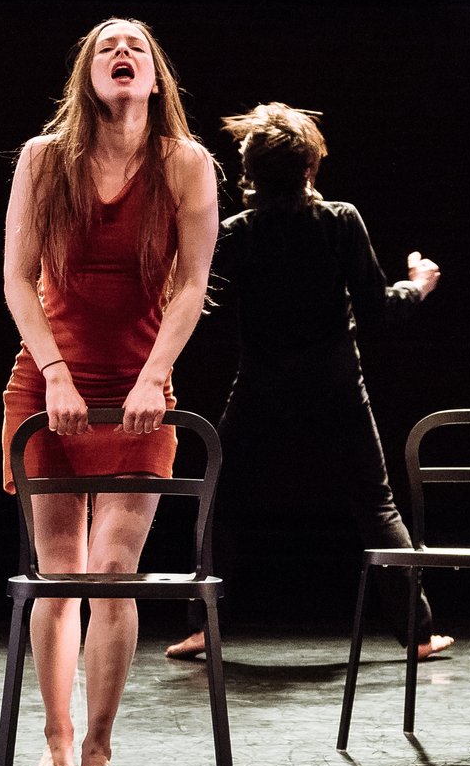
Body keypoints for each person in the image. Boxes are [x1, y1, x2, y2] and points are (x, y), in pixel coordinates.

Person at [1, 17, 219, 766]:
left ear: (156, 78)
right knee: (60, 573)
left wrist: (155, 374)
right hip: (49, 387)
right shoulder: (42, 158)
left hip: (139, 389)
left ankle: (98, 746)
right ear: (86, 76)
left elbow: (192, 284)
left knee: (115, 572)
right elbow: (17, 279)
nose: (122, 53)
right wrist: (56, 372)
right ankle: (56, 735)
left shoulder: (188, 164)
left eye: (137, 48)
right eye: (105, 46)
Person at [163, 103, 448, 662]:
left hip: (263, 385)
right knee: (375, 504)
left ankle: (203, 626)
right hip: (335, 384)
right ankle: (417, 634)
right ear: (310, 168)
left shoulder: (237, 234)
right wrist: (417, 285)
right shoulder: (339, 221)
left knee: (220, 503)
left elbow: (197, 302)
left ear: (250, 175)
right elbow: (378, 309)